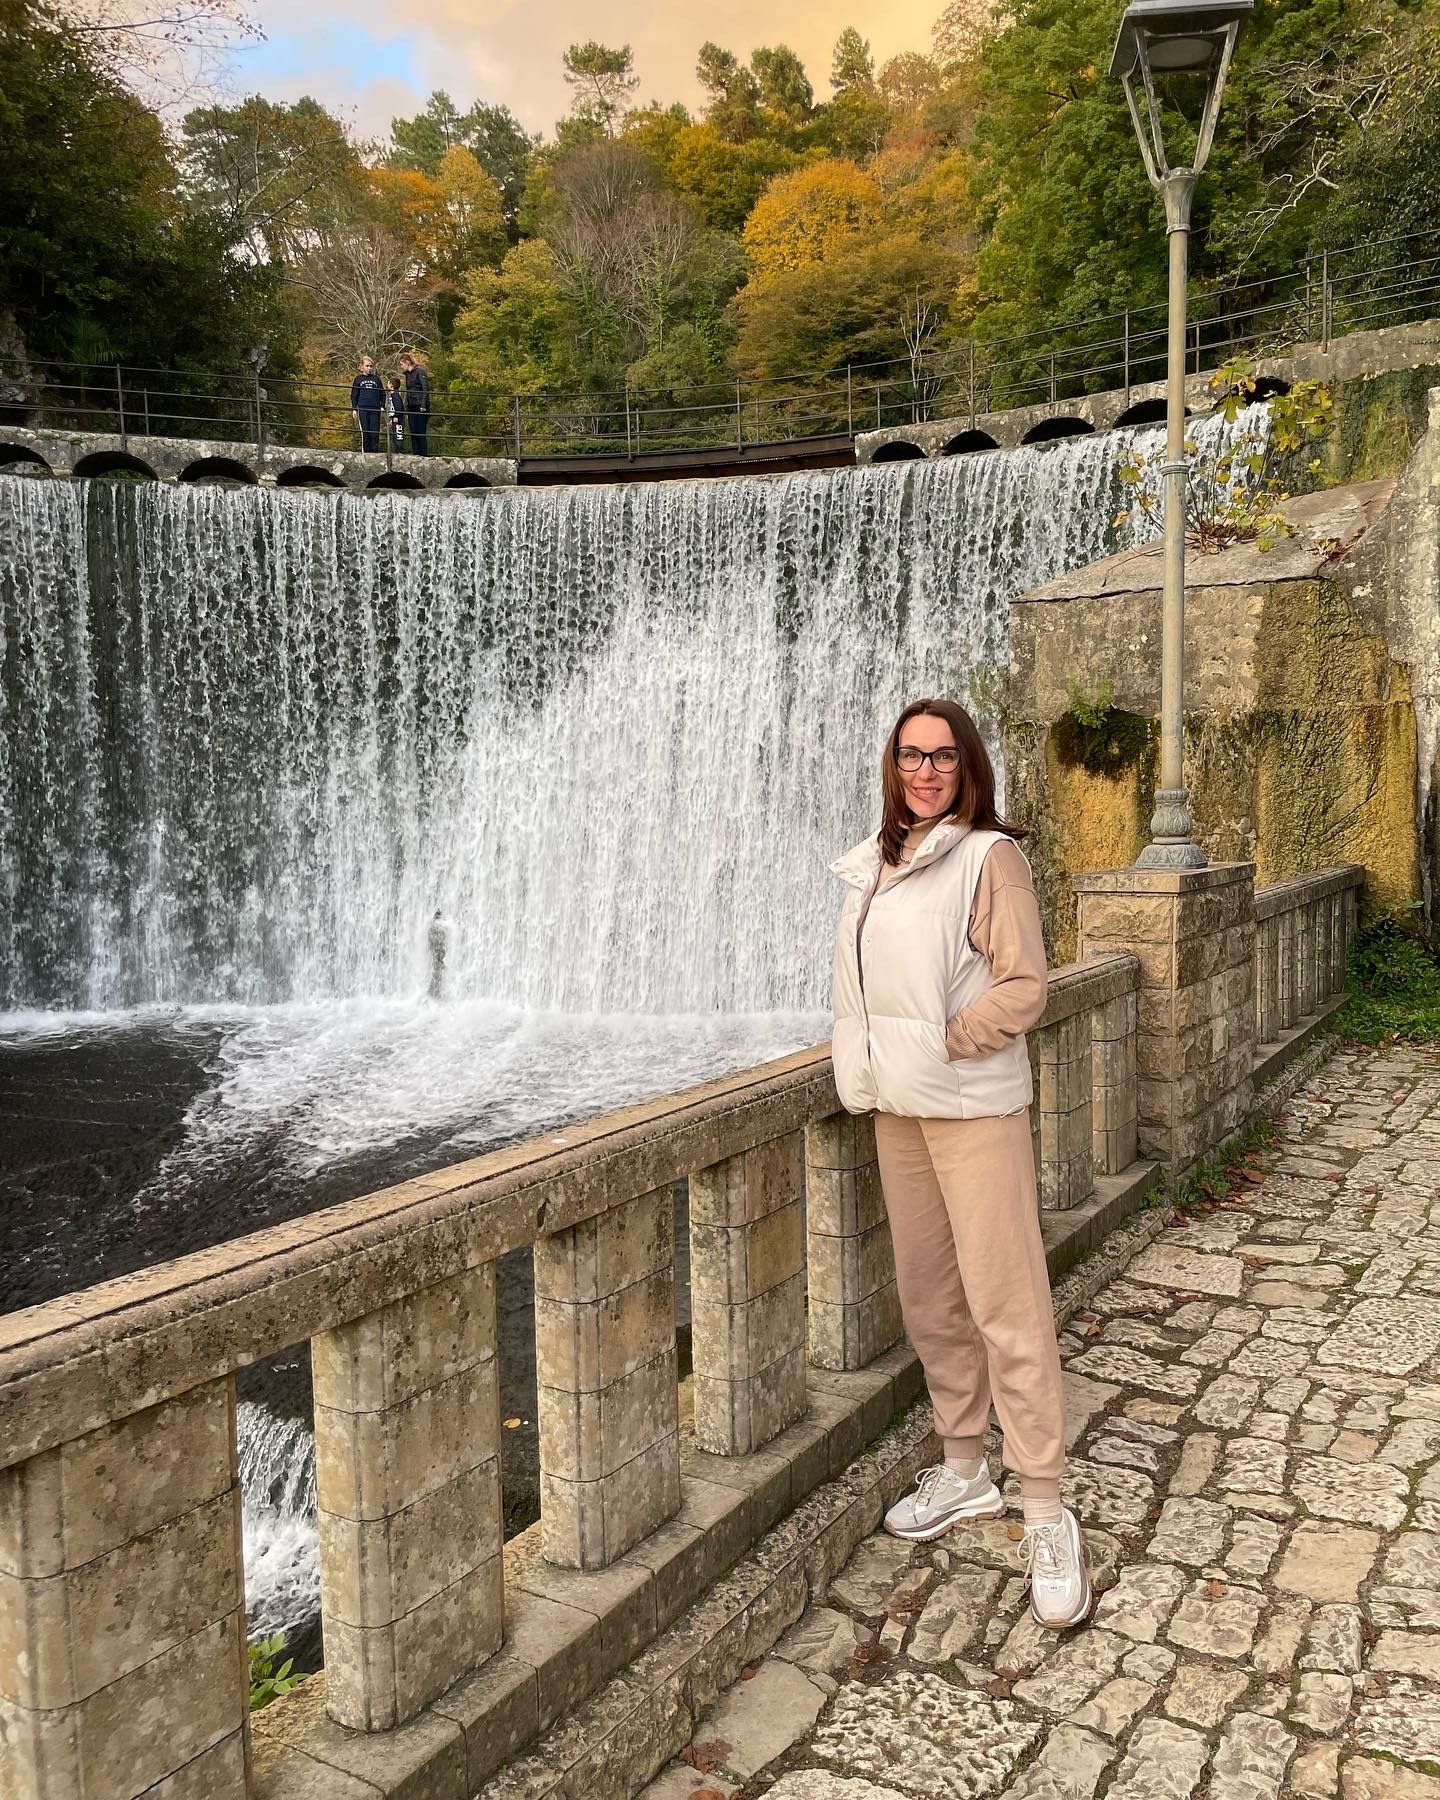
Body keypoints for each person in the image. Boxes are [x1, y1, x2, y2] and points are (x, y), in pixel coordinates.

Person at [829, 696, 1092, 1631]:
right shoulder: (878, 864)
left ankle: (1046, 1509)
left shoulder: (989, 859)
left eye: (942, 756)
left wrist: (949, 1041)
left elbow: (1024, 985)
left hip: (972, 1109)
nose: (925, 772)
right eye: (910, 756)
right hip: (898, 1111)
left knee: (1006, 1306)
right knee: (932, 1301)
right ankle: (966, 1468)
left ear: (968, 766)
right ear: (892, 767)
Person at [350, 354, 385, 452]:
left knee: (375, 432)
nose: (369, 368)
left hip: (375, 408)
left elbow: (382, 393)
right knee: (365, 432)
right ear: (362, 366)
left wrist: (382, 405)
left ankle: (375, 453)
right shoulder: (358, 379)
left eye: (371, 366)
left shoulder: (376, 379)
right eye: (367, 366)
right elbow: (354, 395)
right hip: (363, 408)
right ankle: (366, 453)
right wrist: (354, 408)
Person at [399, 351, 431, 456]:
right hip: (411, 405)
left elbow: (425, 389)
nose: (401, 367)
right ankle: (416, 454)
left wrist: (423, 405)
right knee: (413, 432)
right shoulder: (408, 375)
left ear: (407, 362)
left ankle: (423, 455)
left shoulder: (420, 372)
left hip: (420, 405)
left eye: (402, 364)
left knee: (420, 432)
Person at [386, 376, 405, 450]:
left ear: (391, 385)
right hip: (394, 418)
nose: (387, 385)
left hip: (398, 419)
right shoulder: (393, 395)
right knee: (395, 434)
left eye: (388, 384)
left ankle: (400, 450)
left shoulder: (395, 395)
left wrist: (396, 416)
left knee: (398, 434)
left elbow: (398, 407)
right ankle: (397, 449)